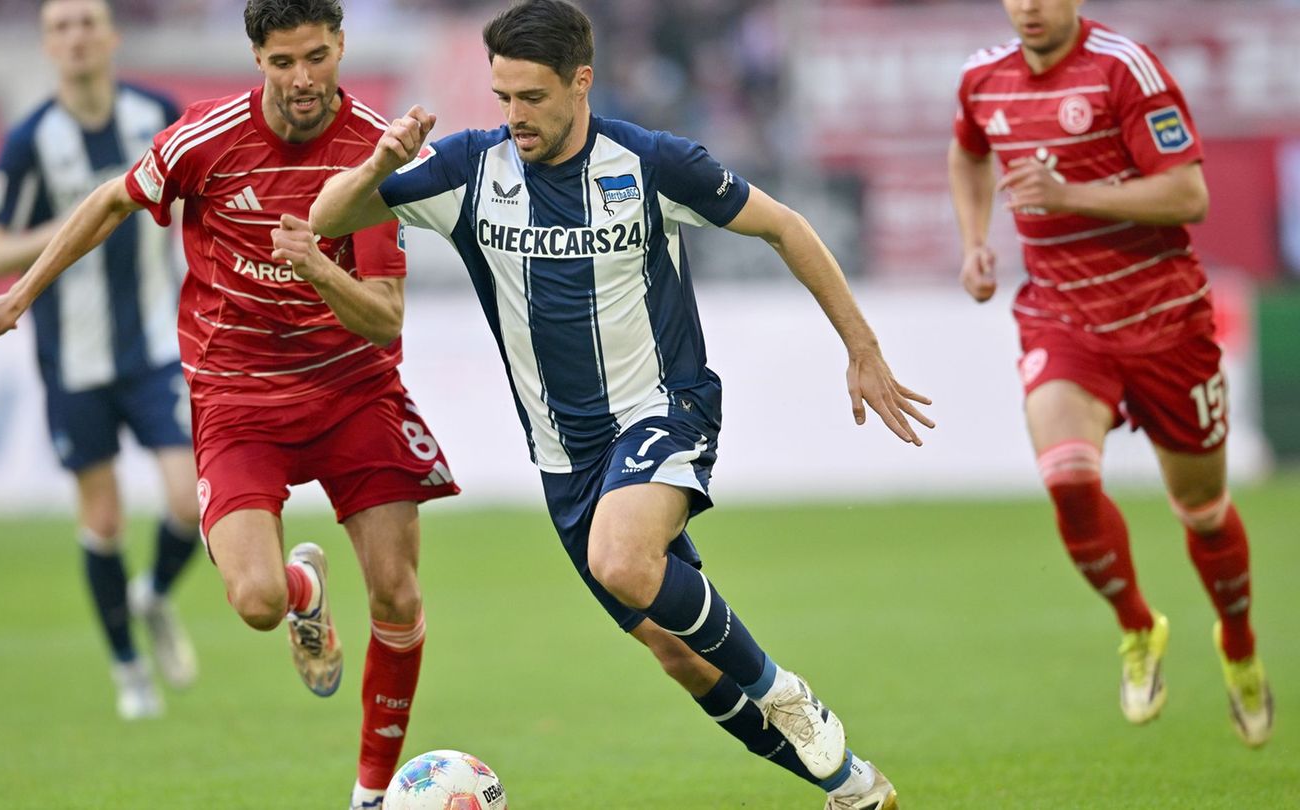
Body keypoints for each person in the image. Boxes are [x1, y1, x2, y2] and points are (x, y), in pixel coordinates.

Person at [311, 2, 932, 807]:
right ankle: (850, 785)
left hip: (662, 411)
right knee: (680, 657)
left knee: (623, 560)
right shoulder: (470, 169)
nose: (514, 117)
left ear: (581, 82)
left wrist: (863, 347)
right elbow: (329, 218)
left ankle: (784, 690)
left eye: (532, 97)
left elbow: (785, 226)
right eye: (502, 97)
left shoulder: (647, 162)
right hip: (563, 461)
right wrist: (380, 162)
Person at [0, 1, 460, 805]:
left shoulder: (375, 150)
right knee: (257, 603)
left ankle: (371, 794)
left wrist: (316, 269)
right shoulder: (206, 138)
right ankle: (304, 592)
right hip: (238, 395)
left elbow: (385, 316)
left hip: (351, 389)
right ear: (257, 58)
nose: (304, 79)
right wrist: (18, 297)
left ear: (341, 46)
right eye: (284, 61)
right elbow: (110, 201)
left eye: (319, 56)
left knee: (398, 595)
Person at [947, 0, 1272, 746]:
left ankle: (1239, 641)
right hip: (1063, 319)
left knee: (1204, 509)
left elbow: (1189, 194)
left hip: (1166, 321)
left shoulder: (1125, 70)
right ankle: (1137, 628)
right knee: (1066, 476)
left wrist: (1068, 195)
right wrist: (973, 241)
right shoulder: (982, 80)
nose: (1027, 6)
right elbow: (967, 151)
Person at [0, 0, 200, 721]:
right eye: (60, 27)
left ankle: (153, 597)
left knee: (190, 504)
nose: (75, 37)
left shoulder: (158, 111)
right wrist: (76, 221)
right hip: (75, 358)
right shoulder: (32, 142)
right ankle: (129, 670)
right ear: (46, 45)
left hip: (160, 346)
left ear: (111, 36)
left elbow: (204, 198)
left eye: (85, 23)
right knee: (102, 519)